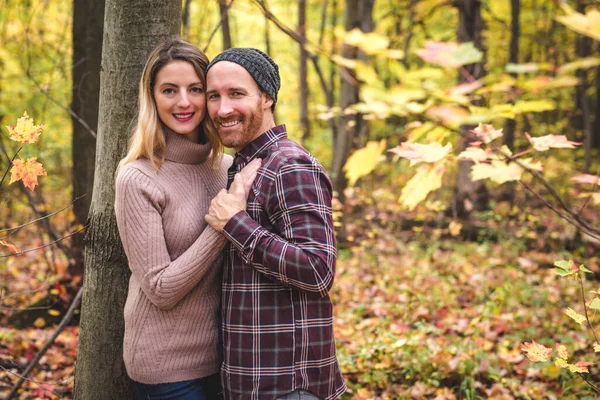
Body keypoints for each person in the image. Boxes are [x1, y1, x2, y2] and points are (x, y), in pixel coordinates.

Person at [114, 39, 260, 400]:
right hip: (167, 368)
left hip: (228, 358)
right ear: (152, 98)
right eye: (169, 90)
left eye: (196, 89)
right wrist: (223, 224)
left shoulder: (226, 168)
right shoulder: (138, 177)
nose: (184, 102)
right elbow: (160, 289)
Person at [204, 48, 347, 400]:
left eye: (236, 94)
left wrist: (235, 223)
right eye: (213, 96)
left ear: (266, 97)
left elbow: (318, 270)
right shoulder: (243, 166)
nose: (222, 109)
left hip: (287, 387)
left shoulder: (289, 165)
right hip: (249, 382)